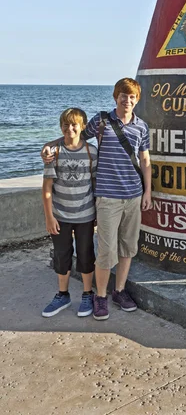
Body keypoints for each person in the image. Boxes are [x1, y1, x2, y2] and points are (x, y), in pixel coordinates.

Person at [42, 78, 152, 321]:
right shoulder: (102, 121)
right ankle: (99, 296)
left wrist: (147, 192)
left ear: (137, 100)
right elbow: (75, 137)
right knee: (105, 250)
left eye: (132, 96)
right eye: (123, 95)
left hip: (133, 196)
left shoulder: (142, 127)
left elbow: (145, 161)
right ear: (116, 97)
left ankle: (119, 291)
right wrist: (48, 147)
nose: (127, 100)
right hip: (107, 198)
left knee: (127, 248)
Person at [42, 108, 97, 318]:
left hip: (85, 215)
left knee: (85, 255)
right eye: (65, 124)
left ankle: (87, 293)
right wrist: (49, 216)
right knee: (61, 255)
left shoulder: (92, 152)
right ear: (60, 127)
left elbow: (94, 184)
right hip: (60, 216)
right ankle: (62, 294)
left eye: (74, 124)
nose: (70, 128)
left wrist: (97, 213)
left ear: (83, 127)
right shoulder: (53, 153)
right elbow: (47, 189)